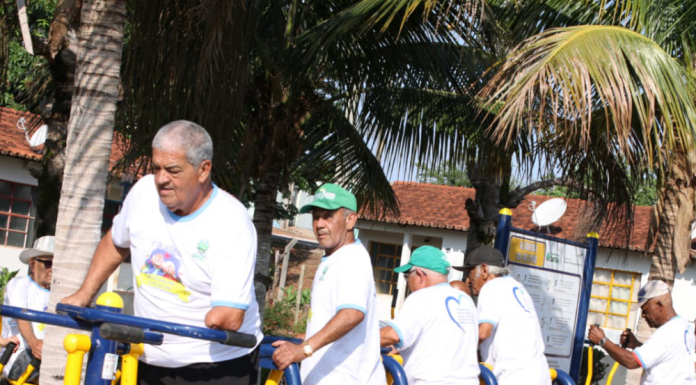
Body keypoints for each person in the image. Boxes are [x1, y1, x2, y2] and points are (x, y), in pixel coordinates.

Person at [61, 120, 262, 385]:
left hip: (216, 363)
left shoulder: (231, 222)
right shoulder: (143, 192)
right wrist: (84, 293)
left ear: (203, 170)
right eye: (156, 167)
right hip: (148, 354)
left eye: (173, 170)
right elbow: (116, 241)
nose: (161, 179)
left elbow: (228, 317)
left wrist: (179, 318)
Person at [271, 184, 385, 385]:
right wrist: (302, 338)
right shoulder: (334, 258)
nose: (320, 224)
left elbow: (352, 314)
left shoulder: (352, 258)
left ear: (350, 220)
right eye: (316, 217)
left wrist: (304, 348)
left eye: (328, 216)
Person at [380, 246, 480, 384]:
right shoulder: (466, 302)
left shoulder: (422, 297)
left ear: (420, 275)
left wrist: (360, 339)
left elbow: (392, 334)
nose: (408, 282)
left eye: (407, 276)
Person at [454, 245, 551, 385]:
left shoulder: (492, 287)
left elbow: (483, 332)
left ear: (484, 270)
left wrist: (454, 349)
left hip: (515, 376)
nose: (468, 281)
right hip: (539, 373)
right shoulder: (517, 286)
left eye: (470, 272)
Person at [588, 280, 696, 384]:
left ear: (659, 305)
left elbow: (632, 361)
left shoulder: (667, 332)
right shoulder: (684, 327)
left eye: (645, 310)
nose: (643, 316)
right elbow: (663, 354)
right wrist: (635, 344)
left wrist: (602, 341)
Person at [1, 236, 54, 382]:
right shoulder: (18, 285)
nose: (53, 269)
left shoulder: (60, 293)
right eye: (48, 263)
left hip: (48, 354)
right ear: (32, 264)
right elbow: (22, 318)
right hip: (18, 354)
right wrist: (34, 343)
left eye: (57, 265)